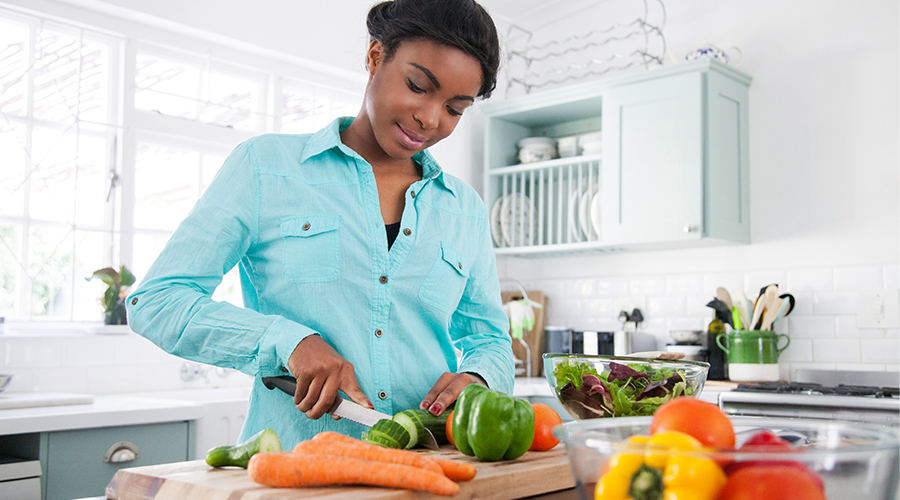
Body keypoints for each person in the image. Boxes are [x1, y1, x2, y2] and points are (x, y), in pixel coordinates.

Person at [126, 0, 513, 447]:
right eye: (417, 86)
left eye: (454, 109)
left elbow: (489, 340)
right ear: (374, 57)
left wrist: (478, 378)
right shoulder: (265, 168)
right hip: (298, 470)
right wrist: (287, 342)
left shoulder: (463, 208)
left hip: (430, 467)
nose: (429, 118)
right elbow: (156, 301)